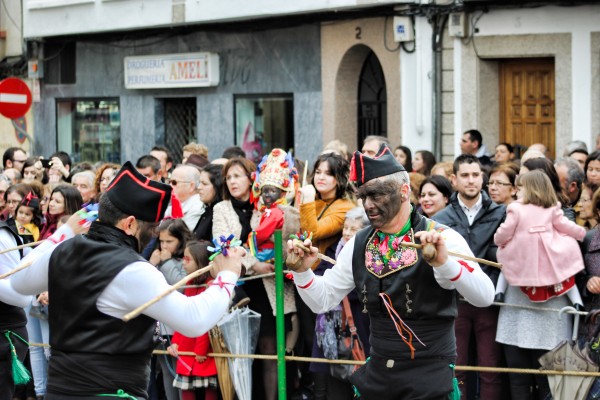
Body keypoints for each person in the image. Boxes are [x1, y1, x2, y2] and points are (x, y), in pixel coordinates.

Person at [9, 161, 243, 399]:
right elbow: (194, 320)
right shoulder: (133, 270)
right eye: (151, 230)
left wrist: (66, 232)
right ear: (130, 224)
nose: (152, 237)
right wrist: (228, 274)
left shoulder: (63, 250)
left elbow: (19, 280)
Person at [286, 143, 494, 400]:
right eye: (364, 197)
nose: (369, 205)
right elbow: (323, 300)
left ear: (404, 191)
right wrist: (303, 272)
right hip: (378, 376)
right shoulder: (359, 244)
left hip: (430, 377)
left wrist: (445, 264)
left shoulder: (443, 238)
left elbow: (485, 296)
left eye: (378, 195)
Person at [432, 154, 506, 400]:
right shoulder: (440, 219)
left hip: (489, 300)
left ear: (483, 178)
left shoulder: (502, 214)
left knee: (490, 368)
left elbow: (504, 256)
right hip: (454, 302)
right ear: (453, 180)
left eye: (475, 175)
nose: (471, 180)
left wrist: (492, 286)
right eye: (465, 175)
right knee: (457, 367)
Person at [494, 170, 585, 308]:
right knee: (564, 273)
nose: (517, 192)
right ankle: (577, 301)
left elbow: (506, 230)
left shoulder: (516, 208)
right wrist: (580, 233)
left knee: (505, 263)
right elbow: (564, 225)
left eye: (520, 189)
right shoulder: (551, 206)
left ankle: (499, 292)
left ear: (530, 189)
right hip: (548, 248)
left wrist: (499, 241)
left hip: (522, 249)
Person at [310, 206, 370, 400]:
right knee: (332, 375)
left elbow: (359, 289)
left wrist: (336, 284)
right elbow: (320, 276)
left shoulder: (369, 255)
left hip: (358, 324)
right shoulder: (331, 251)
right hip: (330, 325)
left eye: (354, 229)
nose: (347, 233)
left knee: (357, 374)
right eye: (346, 227)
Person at [149, 218, 194, 400]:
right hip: (161, 325)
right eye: (162, 241)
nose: (164, 246)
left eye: (170, 241)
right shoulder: (158, 257)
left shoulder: (186, 259)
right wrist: (151, 265)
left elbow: (181, 285)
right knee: (167, 372)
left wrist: (166, 263)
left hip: (179, 327)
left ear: (181, 240)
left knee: (179, 372)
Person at [168, 241, 218, 400]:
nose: (183, 263)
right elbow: (184, 316)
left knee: (210, 391)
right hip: (187, 347)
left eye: (187, 259)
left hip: (202, 351)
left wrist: (201, 350)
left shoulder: (211, 286)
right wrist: (176, 342)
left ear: (201, 262)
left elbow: (206, 321)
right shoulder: (189, 284)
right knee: (187, 391)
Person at [168, 165, 203, 231]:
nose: (170, 186)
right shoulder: (173, 202)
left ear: (191, 186)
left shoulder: (198, 207)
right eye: (169, 182)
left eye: (174, 183)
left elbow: (183, 234)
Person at [193, 164, 223, 241]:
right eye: (199, 182)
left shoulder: (221, 215)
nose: (199, 187)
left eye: (205, 184)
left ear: (218, 186)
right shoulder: (207, 210)